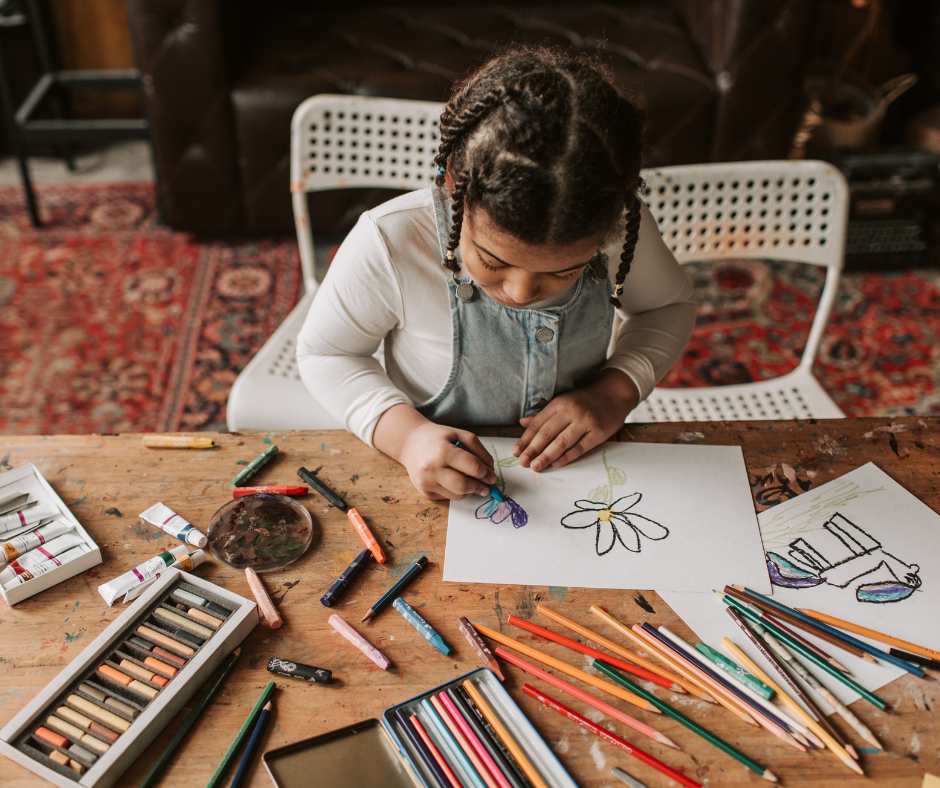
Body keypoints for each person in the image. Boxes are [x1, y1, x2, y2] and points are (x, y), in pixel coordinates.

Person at [297, 45, 696, 501]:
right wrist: (405, 437)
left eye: (565, 271)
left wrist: (615, 392)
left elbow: (668, 307)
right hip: (428, 468)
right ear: (453, 186)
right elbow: (326, 355)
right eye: (492, 261)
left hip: (579, 470)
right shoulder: (393, 240)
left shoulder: (619, 229)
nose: (521, 291)